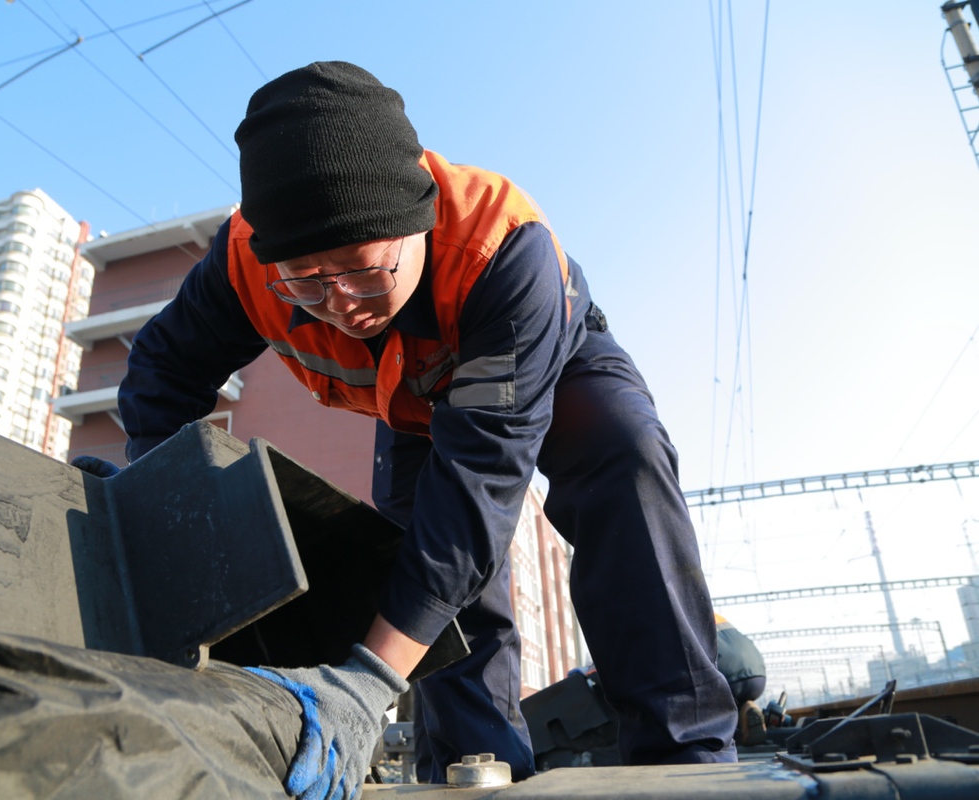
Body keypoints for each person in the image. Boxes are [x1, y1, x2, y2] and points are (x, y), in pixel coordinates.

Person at [112, 61, 738, 798]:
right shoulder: (249, 261)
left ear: (419, 220)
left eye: (362, 271)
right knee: (430, 568)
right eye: (306, 283)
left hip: (547, 359)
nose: (339, 304)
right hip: (412, 404)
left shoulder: (501, 247)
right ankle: (472, 769)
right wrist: (151, 507)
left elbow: (479, 487)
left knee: (620, 456)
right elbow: (159, 375)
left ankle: (683, 757)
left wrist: (365, 681)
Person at [714, 613, 769, 746]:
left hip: (724, 676)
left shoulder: (674, 612)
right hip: (757, 675)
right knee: (733, 701)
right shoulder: (713, 613)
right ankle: (745, 708)